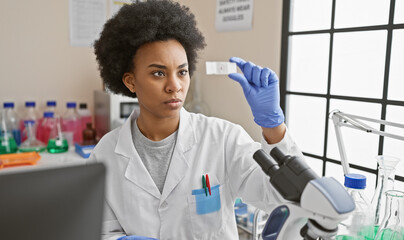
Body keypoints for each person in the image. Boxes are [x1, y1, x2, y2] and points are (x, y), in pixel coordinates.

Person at [91, 1, 304, 239]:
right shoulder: (105, 155)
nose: (175, 86)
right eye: (158, 73)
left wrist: (273, 125)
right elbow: (99, 230)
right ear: (130, 81)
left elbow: (283, 200)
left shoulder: (223, 138)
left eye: (182, 72)